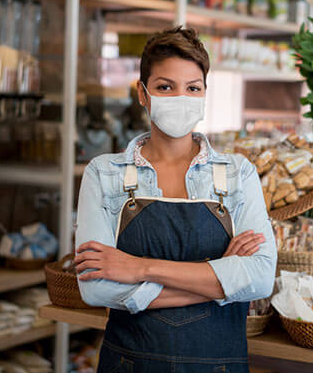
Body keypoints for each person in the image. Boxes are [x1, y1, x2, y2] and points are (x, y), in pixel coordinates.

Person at [74, 27, 277, 373]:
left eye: (192, 88)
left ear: (204, 95)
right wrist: (220, 282)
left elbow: (258, 278)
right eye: (165, 87)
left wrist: (139, 267)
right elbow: (96, 288)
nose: (180, 97)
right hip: (130, 364)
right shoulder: (104, 173)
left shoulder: (237, 174)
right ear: (142, 93)